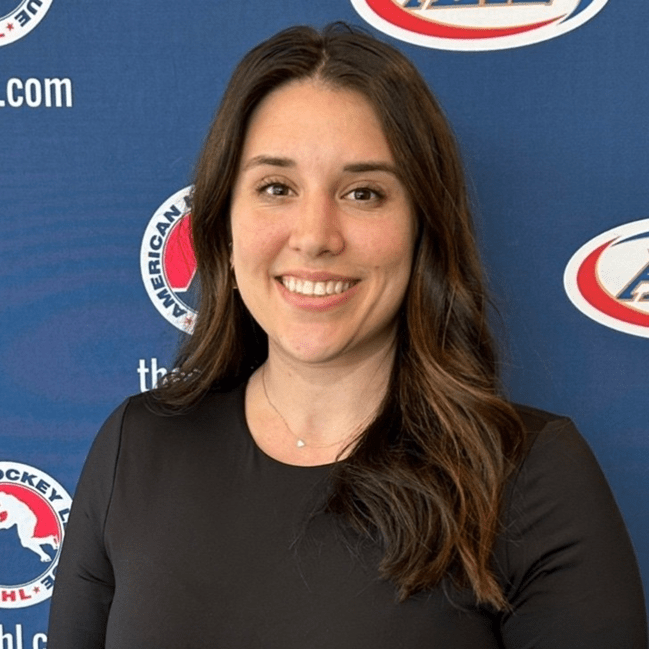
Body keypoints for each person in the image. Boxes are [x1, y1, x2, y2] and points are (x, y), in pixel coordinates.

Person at [47, 23, 647, 648]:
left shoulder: (529, 478)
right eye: (276, 188)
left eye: (363, 193)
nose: (315, 236)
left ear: (423, 228)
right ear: (224, 223)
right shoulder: (135, 448)